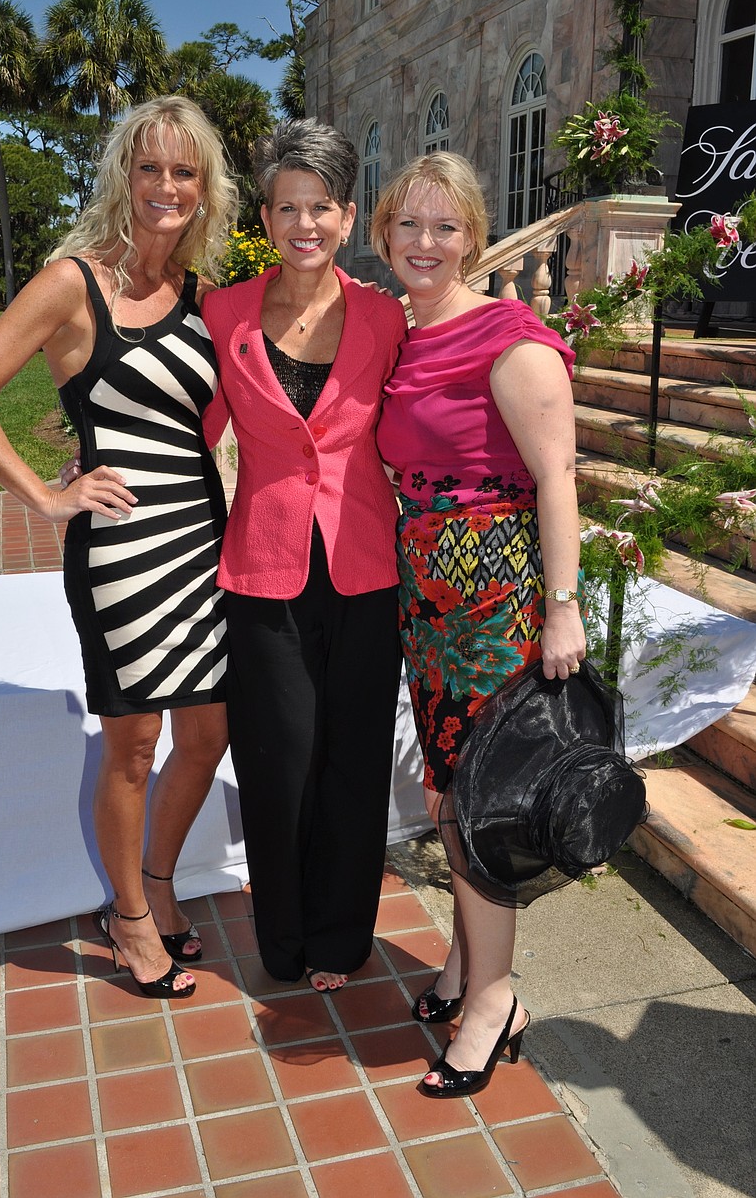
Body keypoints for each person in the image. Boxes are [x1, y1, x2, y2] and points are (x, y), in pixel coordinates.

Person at [0, 96, 239, 999]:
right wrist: (48, 496)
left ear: (204, 188)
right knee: (134, 743)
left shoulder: (200, 296)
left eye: (185, 172)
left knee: (209, 735)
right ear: (124, 176)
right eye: (151, 168)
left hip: (199, 540)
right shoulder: (73, 281)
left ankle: (153, 878)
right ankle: (133, 919)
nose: (167, 187)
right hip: (118, 550)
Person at [372, 152, 586, 1095]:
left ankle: (492, 1000)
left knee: (483, 802)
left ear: (474, 235)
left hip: (496, 601)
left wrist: (564, 609)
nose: (426, 243)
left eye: (445, 227)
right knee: (451, 796)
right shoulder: (402, 336)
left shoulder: (510, 334)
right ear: (384, 236)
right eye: (409, 226)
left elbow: (558, 477)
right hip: (430, 601)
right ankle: (468, 962)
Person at [201, 119, 408, 992]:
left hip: (366, 564)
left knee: (356, 759)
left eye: (321, 207)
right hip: (264, 566)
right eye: (288, 207)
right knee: (279, 760)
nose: (305, 225)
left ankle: (338, 939)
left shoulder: (386, 316)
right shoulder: (223, 312)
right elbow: (193, 426)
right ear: (266, 214)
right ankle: (282, 942)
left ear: (349, 216)